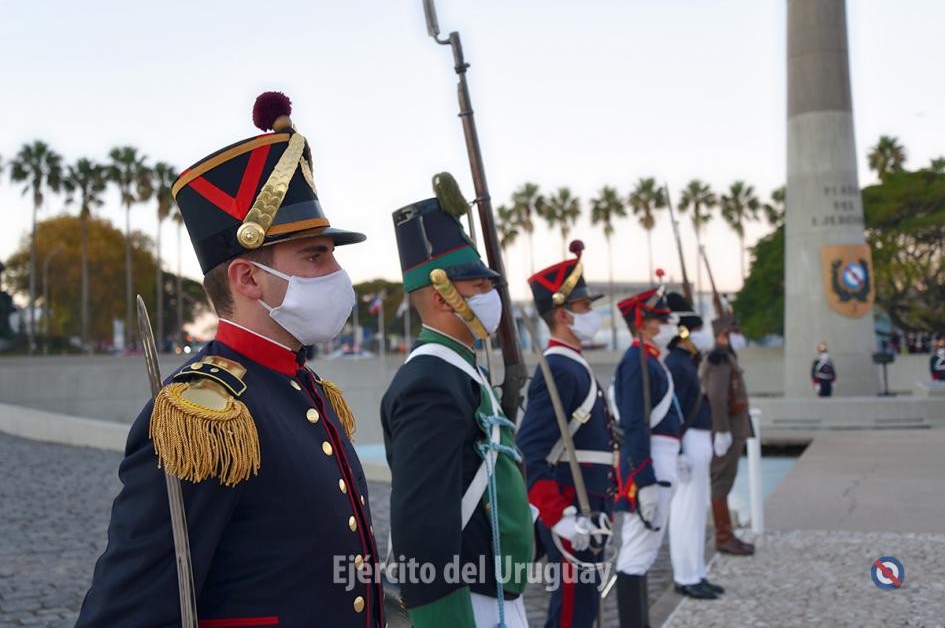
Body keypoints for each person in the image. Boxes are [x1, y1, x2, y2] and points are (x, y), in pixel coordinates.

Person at [76, 92, 383, 626]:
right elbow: (131, 604)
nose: (336, 271)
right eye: (315, 255)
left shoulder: (304, 387)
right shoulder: (207, 414)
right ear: (249, 278)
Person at [381, 174, 533, 628]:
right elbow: (422, 529)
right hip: (469, 603)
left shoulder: (461, 370)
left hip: (497, 592)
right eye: (478, 287)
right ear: (440, 295)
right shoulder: (430, 382)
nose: (491, 296)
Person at [516, 241, 616, 628]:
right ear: (562, 314)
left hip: (590, 507)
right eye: (584, 307)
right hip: (573, 507)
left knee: (584, 608)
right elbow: (530, 449)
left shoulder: (574, 364)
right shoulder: (559, 366)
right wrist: (558, 516)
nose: (592, 314)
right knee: (572, 613)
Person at [612, 287, 682, 628]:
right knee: (636, 555)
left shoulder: (648, 359)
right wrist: (645, 480)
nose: (665, 323)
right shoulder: (637, 361)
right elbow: (636, 424)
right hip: (649, 464)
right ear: (642, 323)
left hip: (661, 460)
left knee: (644, 554)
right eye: (659, 318)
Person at [663, 292, 725, 600]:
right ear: (684, 332)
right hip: (687, 443)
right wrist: (678, 451)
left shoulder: (686, 361)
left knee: (696, 512)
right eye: (697, 329)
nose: (702, 335)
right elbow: (673, 410)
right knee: (686, 511)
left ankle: (696, 571)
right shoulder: (676, 363)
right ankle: (686, 575)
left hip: (698, 440)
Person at [703, 315, 755, 556]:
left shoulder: (727, 356)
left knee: (724, 481)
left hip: (732, 428)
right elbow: (716, 396)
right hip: (728, 430)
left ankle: (726, 533)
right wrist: (722, 431)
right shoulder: (720, 359)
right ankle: (723, 535)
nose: (739, 336)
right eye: (735, 332)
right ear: (723, 335)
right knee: (721, 481)